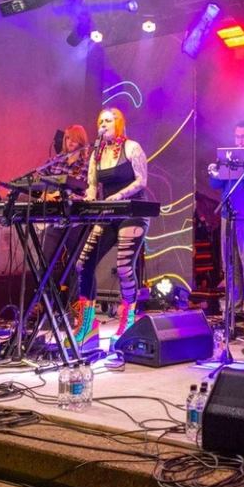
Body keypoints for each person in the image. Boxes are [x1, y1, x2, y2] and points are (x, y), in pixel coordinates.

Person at [79, 106, 151, 332]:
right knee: (83, 264)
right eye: (100, 121)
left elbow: (141, 181)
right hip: (109, 212)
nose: (103, 125)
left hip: (133, 211)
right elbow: (92, 184)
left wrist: (119, 195)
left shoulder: (132, 147)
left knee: (123, 267)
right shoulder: (96, 154)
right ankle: (87, 324)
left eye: (108, 121)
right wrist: (90, 197)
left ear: (119, 123)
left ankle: (127, 322)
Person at [207, 120, 244, 338]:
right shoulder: (229, 157)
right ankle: (233, 310)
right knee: (229, 265)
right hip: (227, 215)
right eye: (237, 136)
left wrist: (238, 167)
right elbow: (215, 185)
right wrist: (215, 171)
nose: (239, 141)